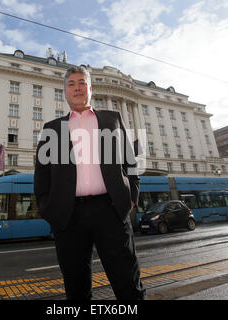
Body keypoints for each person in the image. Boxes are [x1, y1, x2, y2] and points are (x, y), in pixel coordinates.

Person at [34, 65, 145, 300]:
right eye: (71, 84)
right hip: (69, 217)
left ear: (90, 89)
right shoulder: (51, 129)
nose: (77, 88)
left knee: (128, 285)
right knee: (76, 290)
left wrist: (131, 199)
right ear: (64, 92)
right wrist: (48, 208)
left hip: (111, 211)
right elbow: (42, 175)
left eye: (82, 83)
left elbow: (131, 162)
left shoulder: (112, 119)